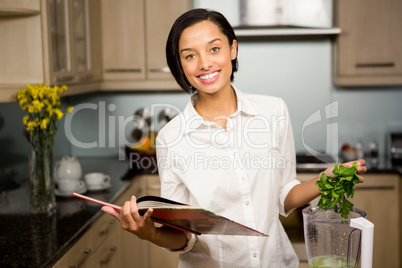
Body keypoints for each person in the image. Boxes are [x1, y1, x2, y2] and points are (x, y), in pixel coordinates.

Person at [102, 8, 367, 267]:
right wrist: (149, 233)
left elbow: (283, 194)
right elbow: (184, 234)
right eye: (190, 56)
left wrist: (323, 181)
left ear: (233, 49)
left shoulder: (273, 111)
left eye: (214, 49)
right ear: (180, 65)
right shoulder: (172, 138)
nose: (204, 63)